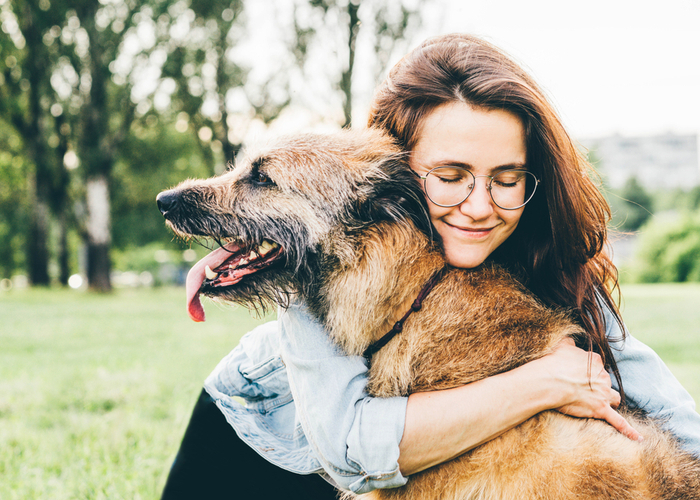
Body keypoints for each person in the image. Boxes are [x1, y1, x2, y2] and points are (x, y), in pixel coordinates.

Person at [160, 34, 700, 499]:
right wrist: (544, 381)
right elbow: (350, 448)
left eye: (507, 177)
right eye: (450, 174)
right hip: (264, 433)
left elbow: (662, 403)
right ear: (398, 174)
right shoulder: (331, 254)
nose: (481, 205)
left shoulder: (539, 250)